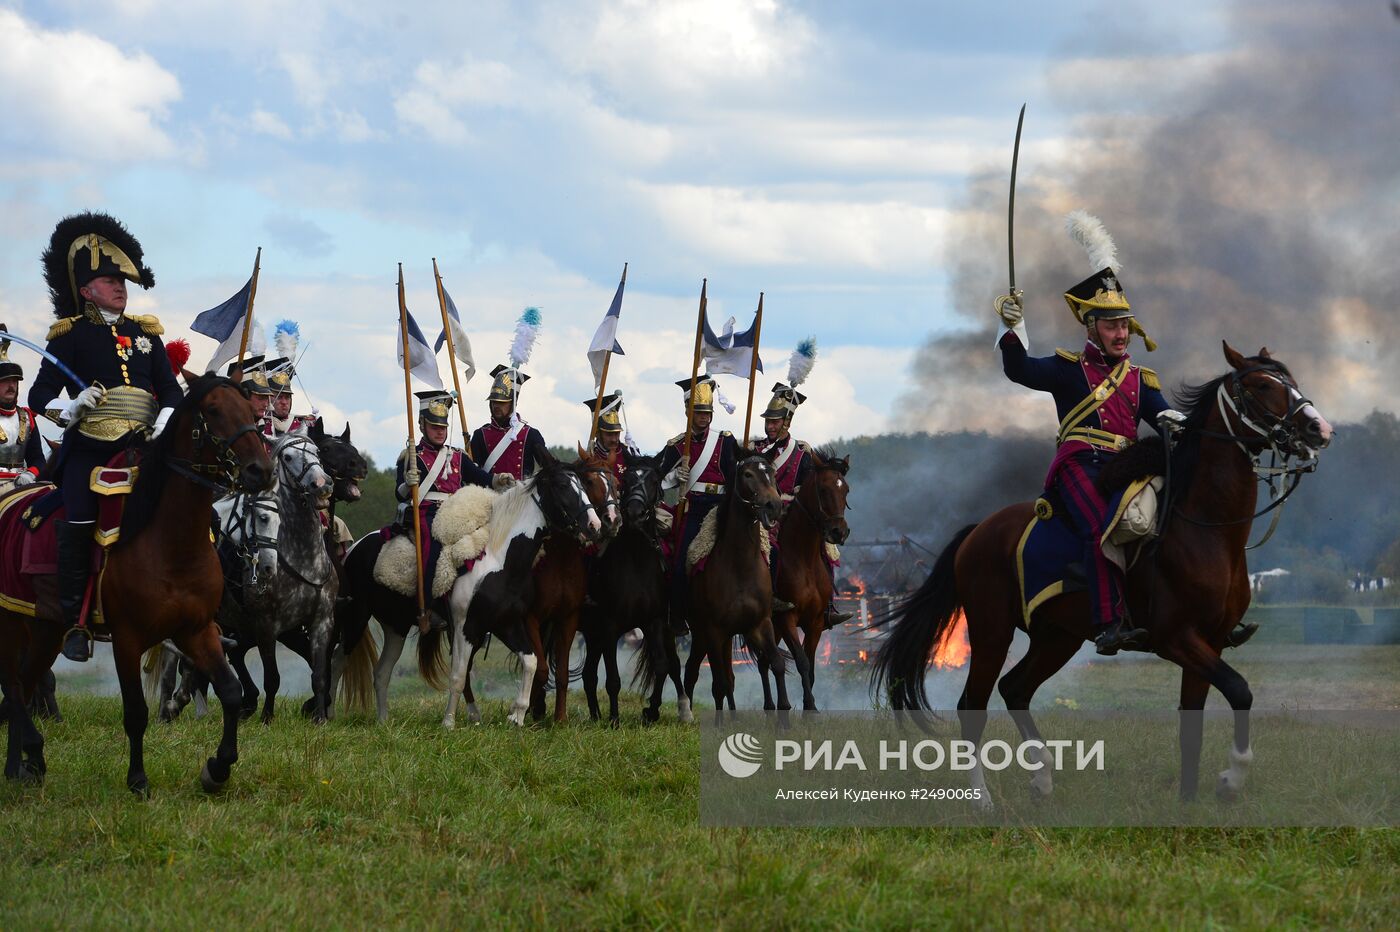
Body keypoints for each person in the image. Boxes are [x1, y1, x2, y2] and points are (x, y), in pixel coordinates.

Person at [994, 211, 1183, 656]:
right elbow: (1018, 368)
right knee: (1104, 526)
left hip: (1126, 468)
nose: (1122, 334)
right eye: (1112, 326)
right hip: (1079, 464)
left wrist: (1182, 425)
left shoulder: (1141, 380)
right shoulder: (1066, 369)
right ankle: (1107, 623)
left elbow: (1164, 420)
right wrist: (1011, 326)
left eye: (1125, 326)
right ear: (1091, 326)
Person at [28, 212, 181, 662]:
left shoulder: (146, 335)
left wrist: (165, 420)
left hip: (145, 448)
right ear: (86, 288)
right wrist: (71, 408)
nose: (120, 286)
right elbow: (39, 396)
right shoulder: (70, 335)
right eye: (108, 279)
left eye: (122, 279)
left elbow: (170, 391)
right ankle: (76, 621)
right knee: (78, 519)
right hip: (90, 450)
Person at [753, 382, 853, 629]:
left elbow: (808, 486)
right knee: (766, 549)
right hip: (767, 515)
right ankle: (769, 597)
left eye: (775, 421)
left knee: (827, 551)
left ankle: (827, 606)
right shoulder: (757, 450)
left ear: (786, 423)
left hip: (794, 513)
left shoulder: (802, 453)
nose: (770, 426)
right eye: (768, 421)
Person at [395, 390, 493, 624]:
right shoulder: (411, 456)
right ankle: (426, 607)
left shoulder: (457, 456)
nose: (440, 431)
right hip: (426, 512)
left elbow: (482, 477)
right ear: (421, 426)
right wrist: (408, 485)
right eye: (434, 426)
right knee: (432, 547)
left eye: (443, 427)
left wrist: (499, 480)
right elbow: (398, 494)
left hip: (458, 512)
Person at [656, 376, 737, 628]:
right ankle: (678, 616)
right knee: (680, 566)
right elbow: (655, 478)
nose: (704, 417)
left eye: (708, 412)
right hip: (694, 508)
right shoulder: (678, 445)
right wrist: (673, 475)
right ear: (689, 413)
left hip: (721, 507)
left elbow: (734, 475)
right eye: (699, 412)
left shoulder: (725, 440)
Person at [469, 365, 550, 483]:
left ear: (513, 404)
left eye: (502, 402)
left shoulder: (531, 434)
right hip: (490, 497)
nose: (496, 406)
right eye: (494, 401)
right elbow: (472, 474)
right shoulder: (480, 435)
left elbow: (549, 466)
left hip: (521, 498)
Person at [0, 329, 45, 494]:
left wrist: (31, 473)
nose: (11, 385)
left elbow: (38, 459)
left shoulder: (26, 417)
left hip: (22, 483)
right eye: (5, 381)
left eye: (14, 381)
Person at [582, 390, 628, 486]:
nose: (614, 439)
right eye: (609, 434)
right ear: (597, 434)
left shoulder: (629, 454)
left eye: (616, 434)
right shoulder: (590, 459)